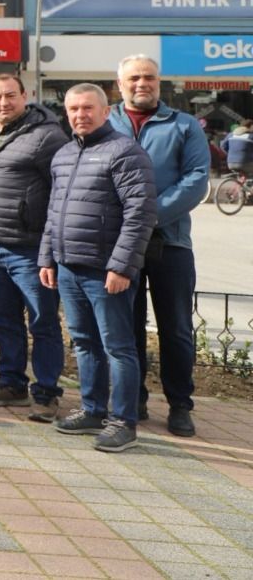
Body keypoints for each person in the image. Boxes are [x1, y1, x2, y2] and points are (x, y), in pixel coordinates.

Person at [41, 83, 158, 453]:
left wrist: (122, 266)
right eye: (73, 108)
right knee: (84, 342)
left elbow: (140, 214)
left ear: (106, 111)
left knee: (118, 347)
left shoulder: (124, 152)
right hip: (69, 267)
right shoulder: (62, 155)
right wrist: (47, 256)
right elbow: (53, 211)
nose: (80, 115)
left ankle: (123, 421)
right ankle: (93, 409)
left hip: (106, 271)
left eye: (88, 108)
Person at [109, 55, 209, 438]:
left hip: (170, 242)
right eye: (133, 78)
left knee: (177, 328)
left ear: (158, 82)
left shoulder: (183, 125)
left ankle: (180, 404)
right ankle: (133, 398)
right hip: (119, 246)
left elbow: (197, 180)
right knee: (126, 325)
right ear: (120, 84)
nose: (141, 84)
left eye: (148, 77)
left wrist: (148, 217)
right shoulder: (107, 122)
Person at [0, 72, 69, 420]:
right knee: (3, 320)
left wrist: (48, 249)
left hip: (30, 250)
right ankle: (11, 383)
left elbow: (60, 195)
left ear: (24, 96)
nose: (3, 103)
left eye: (10, 96)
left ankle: (46, 393)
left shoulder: (48, 136)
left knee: (42, 322)